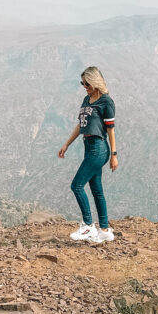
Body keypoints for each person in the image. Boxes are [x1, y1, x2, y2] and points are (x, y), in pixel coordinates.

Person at [58, 66, 118, 243]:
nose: (85, 87)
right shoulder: (87, 99)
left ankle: (88, 226)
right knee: (97, 190)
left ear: (95, 82)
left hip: (99, 148)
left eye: (87, 83)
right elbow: (81, 125)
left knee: (76, 185)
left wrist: (114, 155)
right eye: (83, 83)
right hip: (89, 147)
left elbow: (111, 130)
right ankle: (104, 230)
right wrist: (66, 144)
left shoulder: (106, 102)